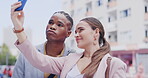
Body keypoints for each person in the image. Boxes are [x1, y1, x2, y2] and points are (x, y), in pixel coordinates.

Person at [11, 2, 127, 78]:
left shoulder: (114, 65)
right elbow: (38, 60)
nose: (76, 35)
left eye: (80, 30)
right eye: (75, 31)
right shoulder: (70, 59)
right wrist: (18, 27)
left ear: (96, 32)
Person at [11, 2, 75, 78]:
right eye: (50, 23)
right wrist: (17, 26)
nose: (52, 27)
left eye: (59, 25)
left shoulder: (74, 58)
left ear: (69, 33)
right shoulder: (26, 54)